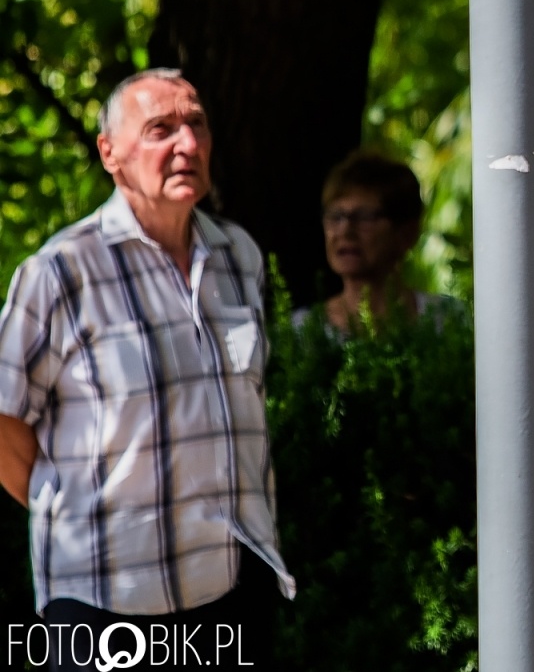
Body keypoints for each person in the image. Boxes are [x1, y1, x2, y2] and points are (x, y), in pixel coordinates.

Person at [0, 68, 290, 670]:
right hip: (104, 599)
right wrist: (70, 503)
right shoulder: (60, 272)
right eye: (161, 129)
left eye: (197, 125)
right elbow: (3, 417)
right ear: (110, 153)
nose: (188, 143)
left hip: (231, 589)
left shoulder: (238, 256)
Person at [304, 149, 454, 336]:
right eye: (335, 216)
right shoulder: (298, 333)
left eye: (364, 217)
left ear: (406, 233)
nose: (345, 231)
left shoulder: (450, 321)